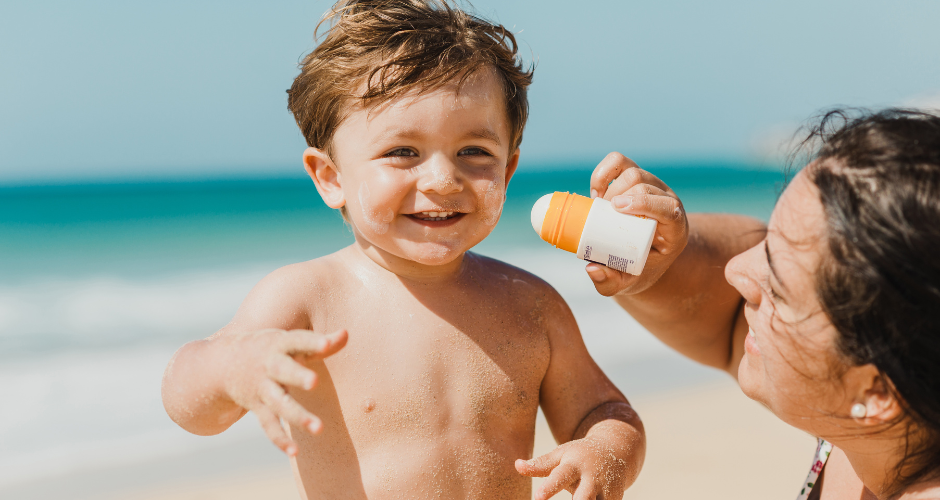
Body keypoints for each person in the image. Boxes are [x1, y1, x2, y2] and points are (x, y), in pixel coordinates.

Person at [161, 1, 645, 499]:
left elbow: (604, 411)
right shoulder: (308, 299)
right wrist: (231, 367)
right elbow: (187, 403)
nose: (441, 179)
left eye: (474, 152)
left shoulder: (531, 305)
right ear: (331, 178)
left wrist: (604, 451)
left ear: (509, 167)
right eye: (402, 153)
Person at [583, 108, 940, 499]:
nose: (736, 270)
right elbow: (728, 316)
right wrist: (665, 251)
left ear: (877, 395)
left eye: (780, 285)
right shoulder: (874, 427)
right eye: (770, 240)